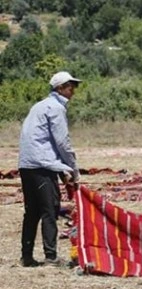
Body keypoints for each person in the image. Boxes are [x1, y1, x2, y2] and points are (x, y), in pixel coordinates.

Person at [18, 71, 82, 267]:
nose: (73, 90)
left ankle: (27, 256)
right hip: (42, 164)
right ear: (59, 88)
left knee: (32, 211)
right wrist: (73, 170)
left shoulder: (40, 105)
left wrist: (62, 171)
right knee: (49, 210)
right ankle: (51, 256)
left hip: (27, 164)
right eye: (70, 86)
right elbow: (62, 143)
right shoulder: (55, 108)